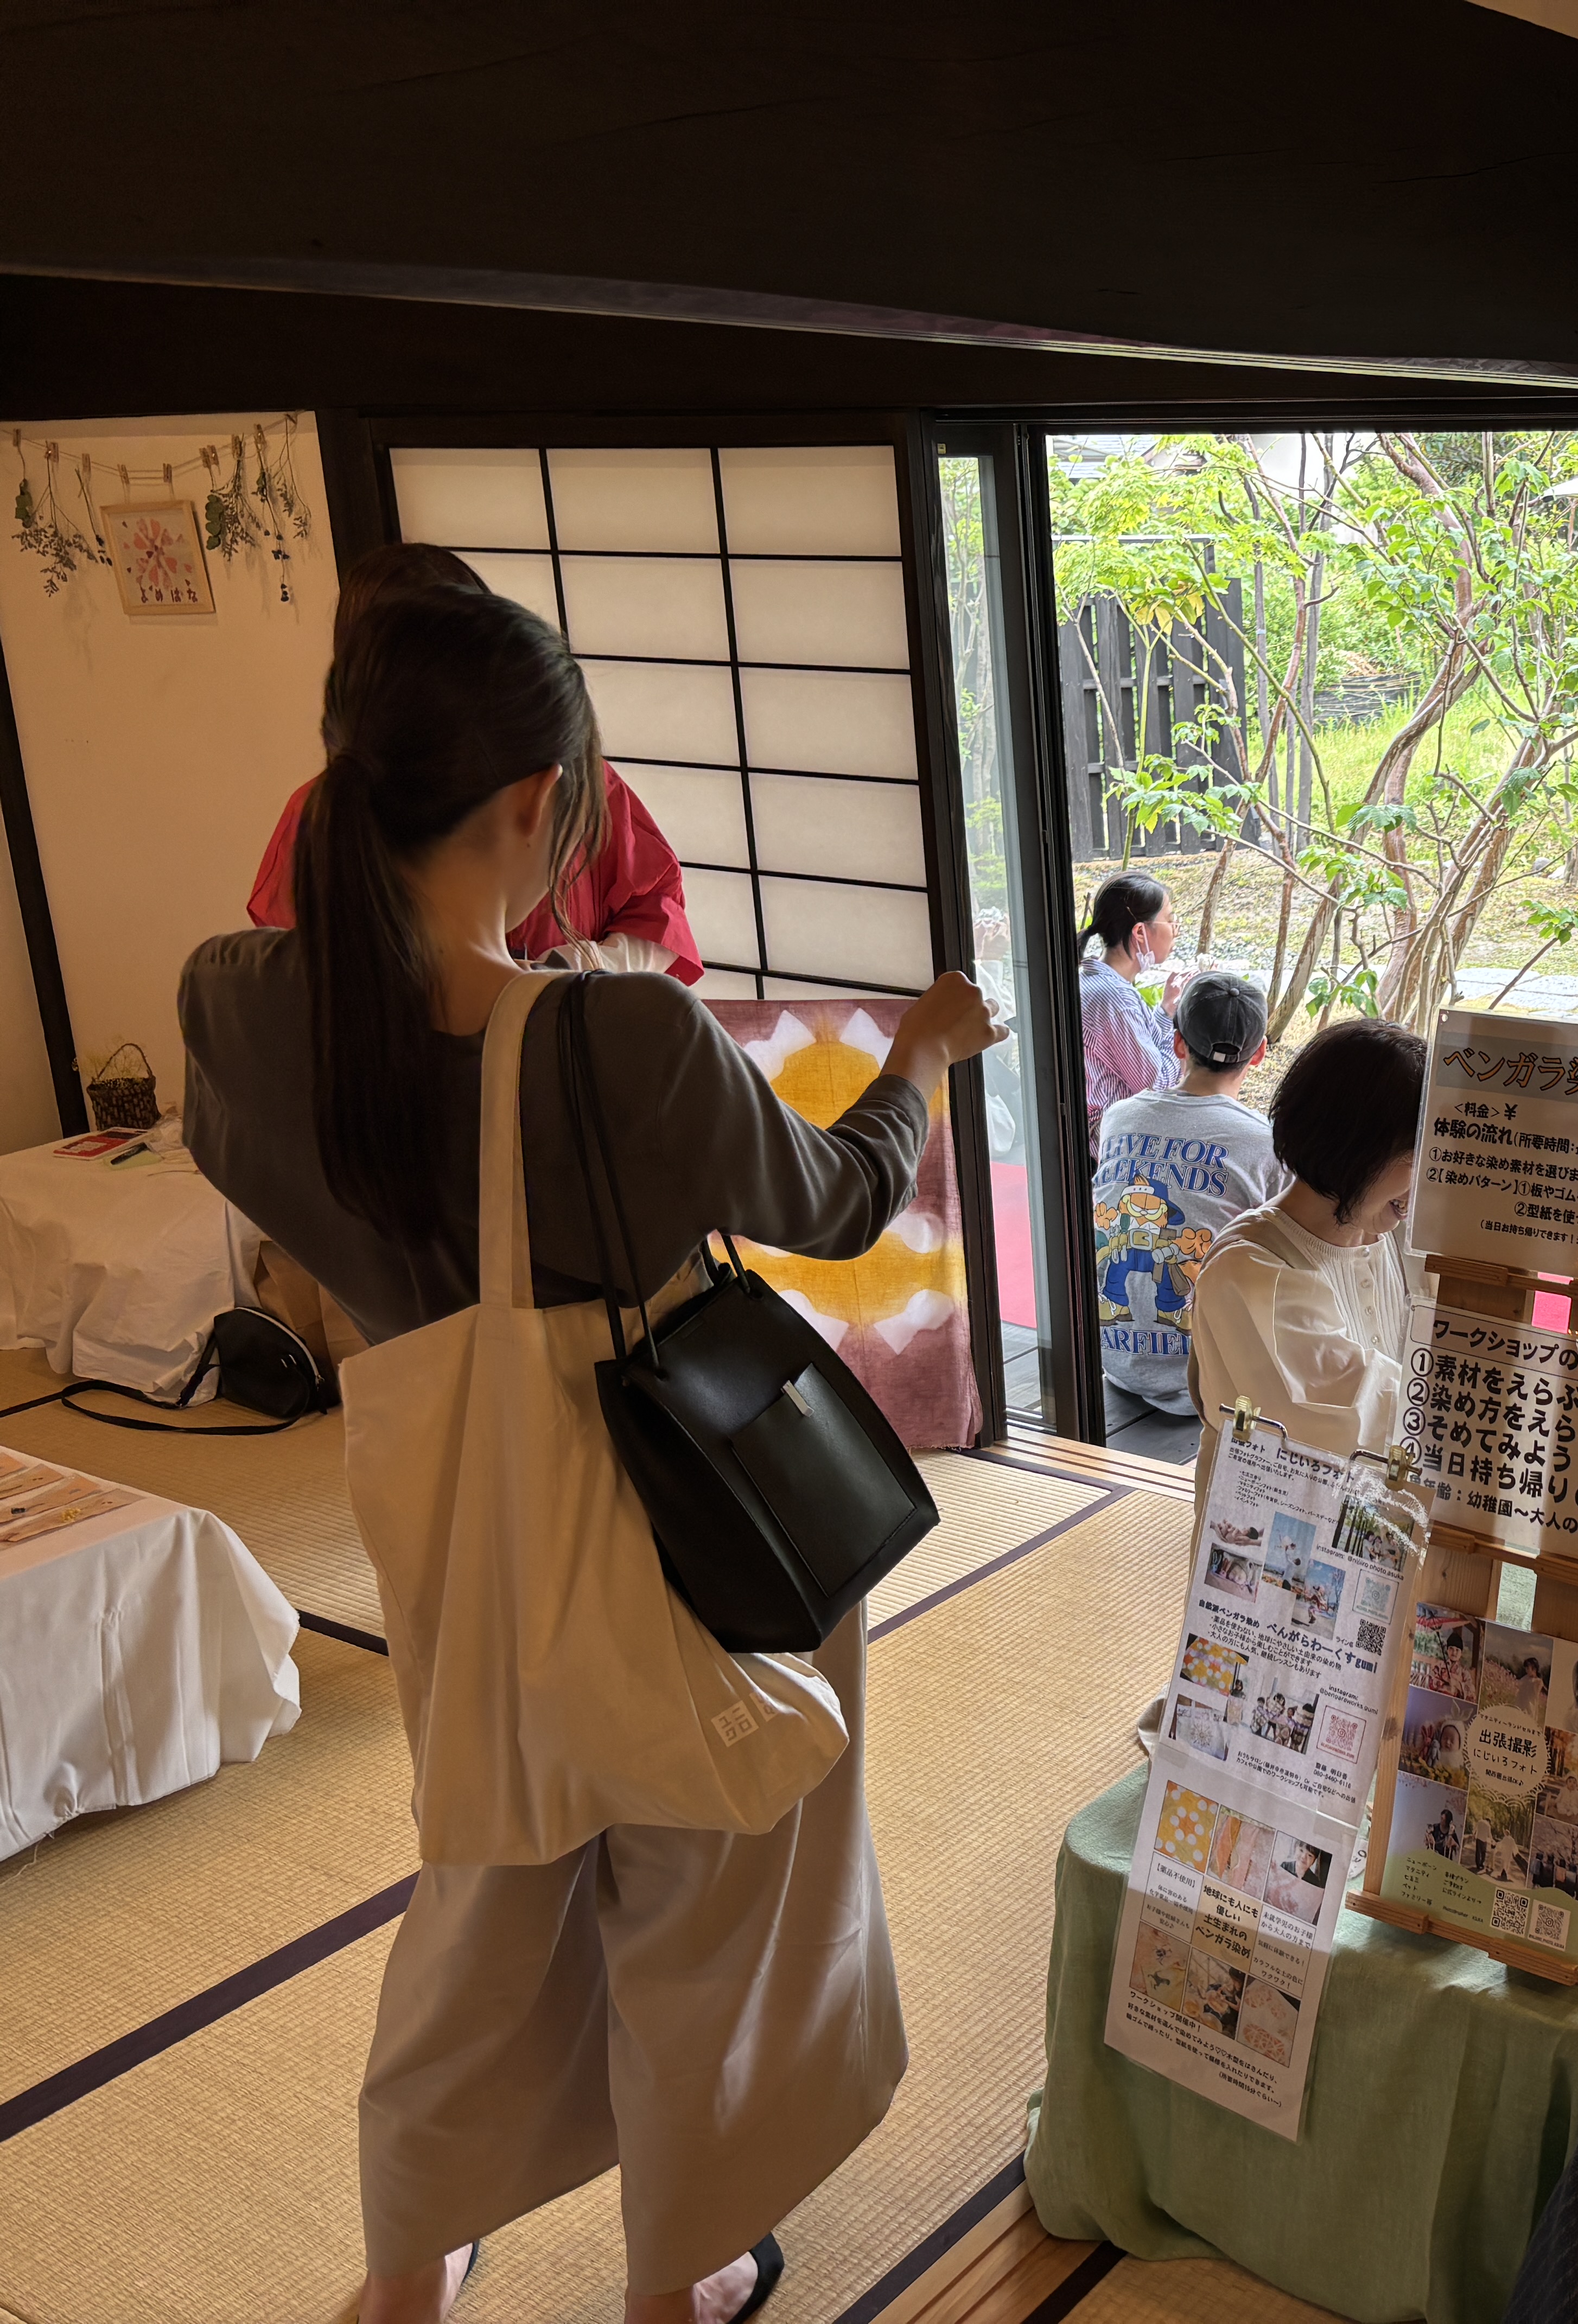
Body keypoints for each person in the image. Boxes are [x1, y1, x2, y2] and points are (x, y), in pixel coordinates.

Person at [178, 588, 1003, 2324]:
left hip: (457, 1538)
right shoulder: (615, 1039)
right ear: (540, 802)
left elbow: (250, 1163)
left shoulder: (239, 1004)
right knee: (714, 1885)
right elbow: (839, 1202)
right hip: (677, 1524)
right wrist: (922, 1055)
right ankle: (675, 2275)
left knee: (486, 1893)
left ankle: (410, 2269)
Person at [246, 542, 703, 984]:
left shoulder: (573, 777)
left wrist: (581, 969)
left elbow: (657, 909)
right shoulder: (324, 809)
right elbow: (307, 976)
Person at [1185, 1016, 1426, 1461]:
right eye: (1417, 1159)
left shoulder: (1396, 1237)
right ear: (1354, 1148)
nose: (1428, 1183)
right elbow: (1354, 1414)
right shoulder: (1249, 1270)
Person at [1090, 969, 1283, 1416]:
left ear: (1178, 1043)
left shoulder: (1119, 1118)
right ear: (1259, 1054)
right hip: (1208, 1382)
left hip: (1114, 1362)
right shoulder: (1267, 1144)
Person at [1077, 871, 1181, 1149]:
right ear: (1140, 932)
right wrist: (1185, 1045)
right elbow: (1158, 1085)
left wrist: (1166, 1011)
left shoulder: (1103, 982)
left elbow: (1147, 1050)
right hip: (1113, 1143)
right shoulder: (1114, 999)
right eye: (1171, 920)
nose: (1176, 929)